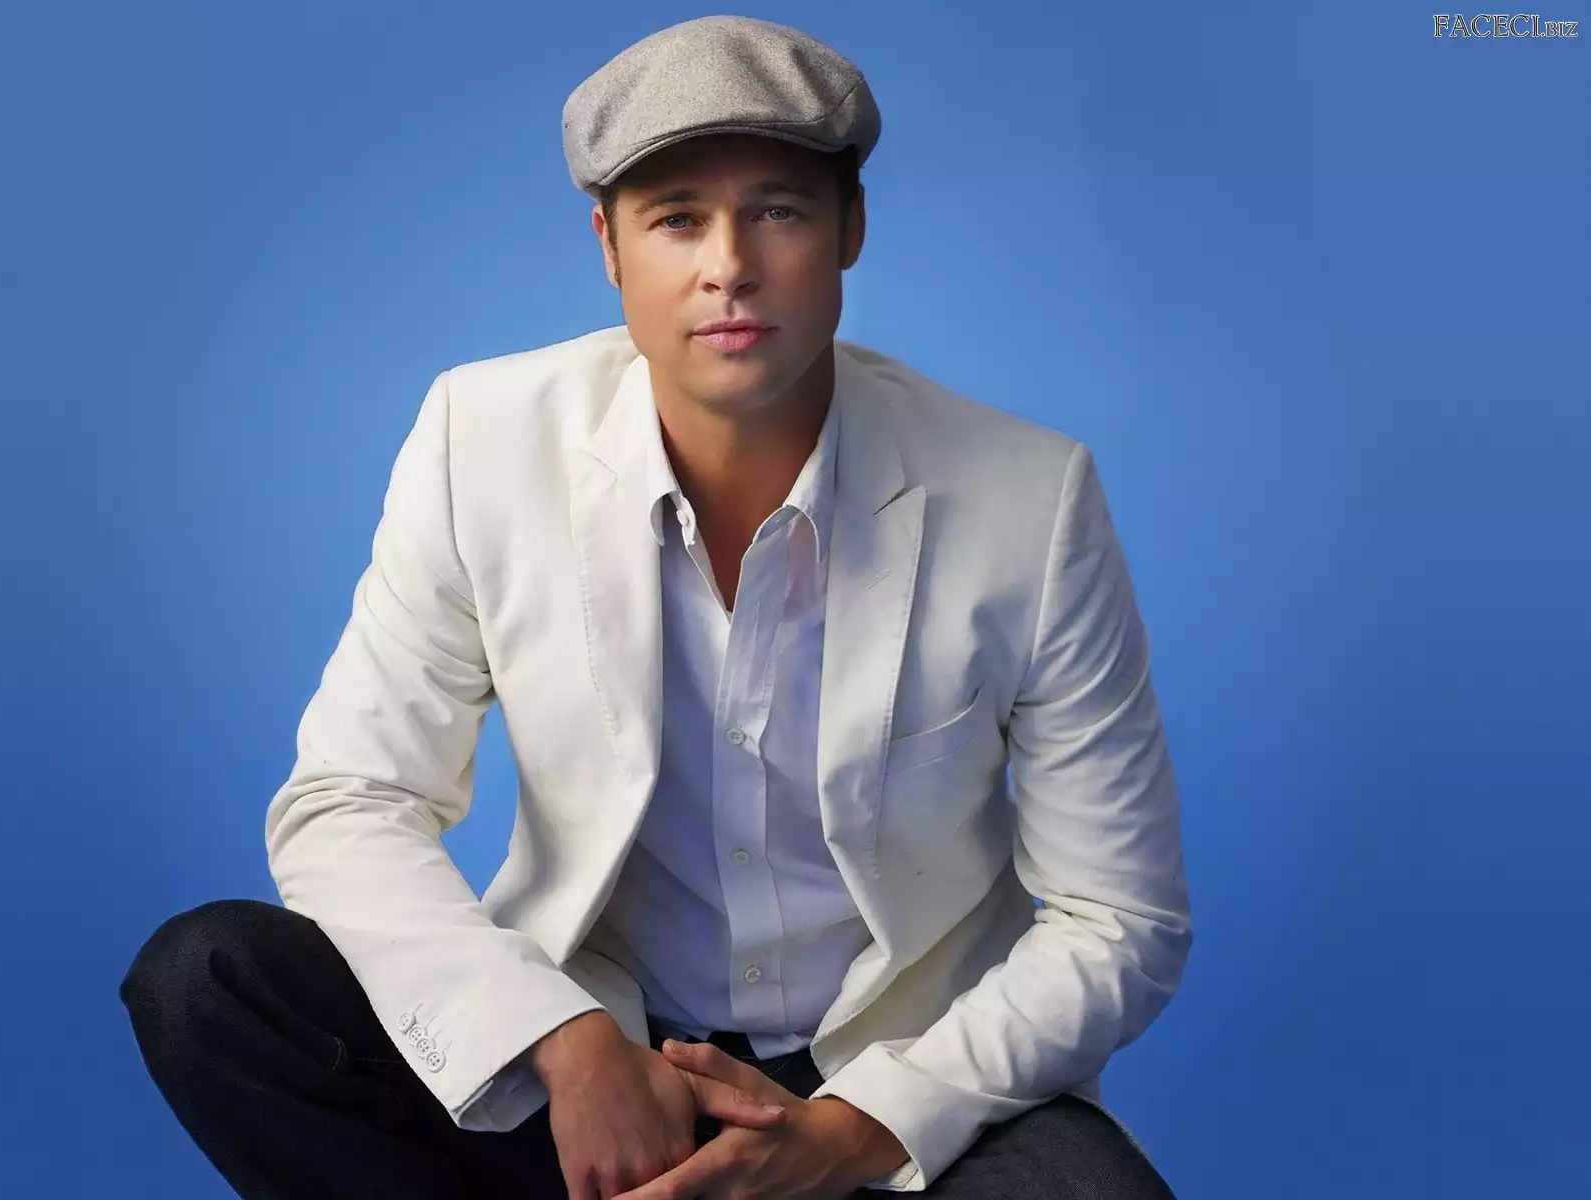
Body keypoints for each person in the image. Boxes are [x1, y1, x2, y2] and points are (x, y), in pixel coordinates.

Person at [119, 15, 1191, 1198]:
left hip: (894, 1084)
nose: (727, 265)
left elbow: (1116, 917)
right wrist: (558, 1041)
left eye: (777, 211)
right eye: (677, 218)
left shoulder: (1027, 498)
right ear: (610, 247)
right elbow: (347, 802)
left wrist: (854, 1130)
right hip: (595, 1064)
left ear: (850, 229)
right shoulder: (482, 442)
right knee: (207, 981)